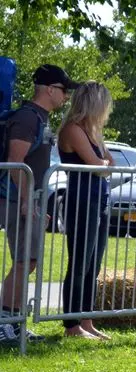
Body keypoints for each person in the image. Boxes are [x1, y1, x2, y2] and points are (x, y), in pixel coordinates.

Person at [0, 64, 76, 344]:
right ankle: (5, 321)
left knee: (27, 260)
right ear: (49, 89)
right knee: (25, 261)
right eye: (64, 90)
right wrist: (25, 201)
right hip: (15, 200)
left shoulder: (38, 118)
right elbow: (15, 161)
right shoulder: (28, 118)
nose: (66, 96)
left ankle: (15, 321)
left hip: (27, 200)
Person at [57, 81, 113, 339]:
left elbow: (109, 163)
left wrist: (103, 161)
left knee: (94, 263)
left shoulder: (93, 131)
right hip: (81, 199)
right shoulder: (73, 129)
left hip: (98, 199)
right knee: (79, 262)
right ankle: (72, 325)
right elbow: (98, 165)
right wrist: (103, 162)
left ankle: (87, 321)